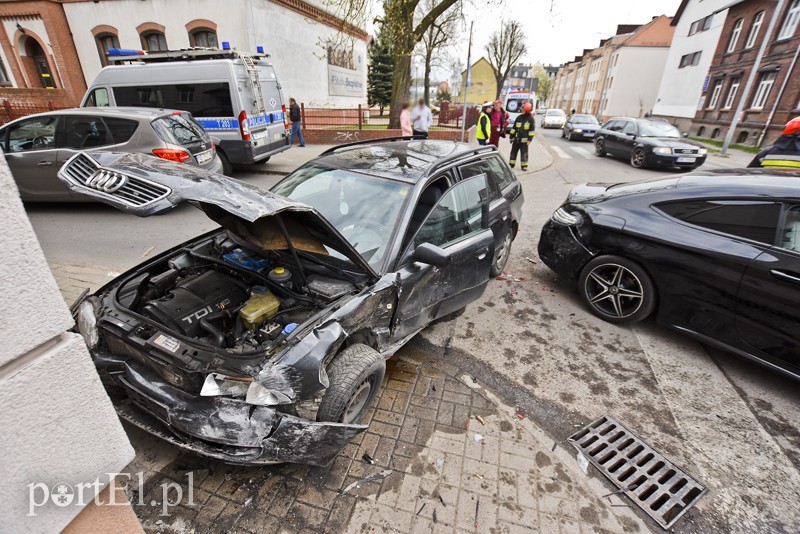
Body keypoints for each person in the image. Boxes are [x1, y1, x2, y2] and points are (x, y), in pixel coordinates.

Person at [508, 102, 536, 170]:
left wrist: (530, 139)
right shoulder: (519, 117)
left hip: (524, 141)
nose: (521, 110)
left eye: (523, 109)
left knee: (524, 154)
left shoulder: (531, 119)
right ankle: (511, 165)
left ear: (527, 111)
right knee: (513, 152)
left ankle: (524, 166)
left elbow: (532, 131)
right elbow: (514, 128)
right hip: (516, 140)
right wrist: (511, 137)